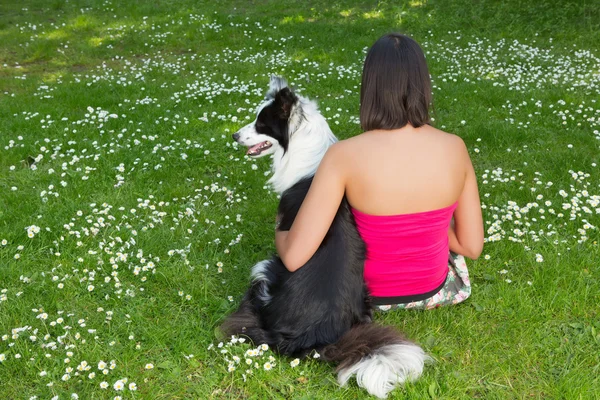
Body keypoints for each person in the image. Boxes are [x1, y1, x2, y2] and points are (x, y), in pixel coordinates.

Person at [275, 33, 484, 310]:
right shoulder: (455, 148)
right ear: (423, 83)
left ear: (369, 87)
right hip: (432, 288)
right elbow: (471, 247)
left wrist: (281, 217)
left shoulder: (344, 155)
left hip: (359, 294)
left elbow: (293, 257)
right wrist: (429, 224)